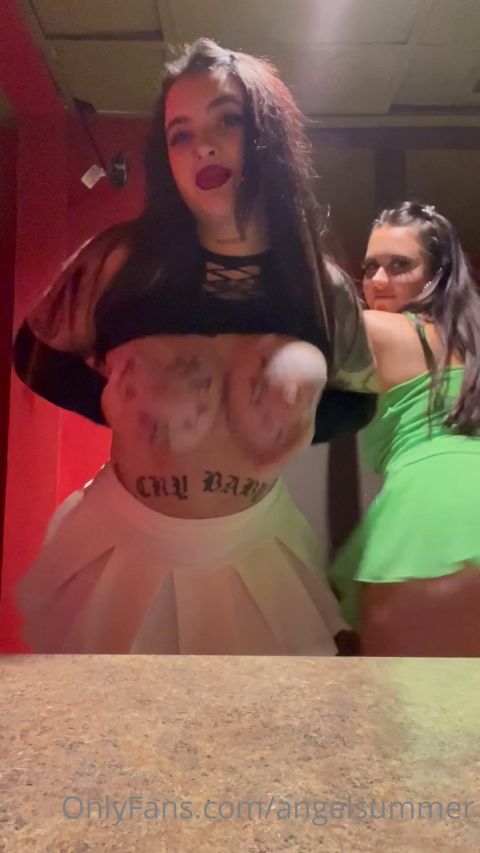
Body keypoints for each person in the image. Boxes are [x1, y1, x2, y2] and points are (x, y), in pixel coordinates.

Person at [13, 39, 375, 655]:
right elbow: (35, 355)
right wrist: (119, 404)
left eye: (226, 122)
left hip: (258, 546)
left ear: (266, 136)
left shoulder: (320, 284)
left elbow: (358, 397)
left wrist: (285, 418)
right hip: (121, 545)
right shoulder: (120, 262)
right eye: (180, 135)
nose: (202, 146)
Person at [330, 201, 480, 656]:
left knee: (407, 695)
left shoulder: (376, 330)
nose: (377, 281)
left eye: (399, 266)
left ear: (437, 275)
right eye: (370, 267)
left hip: (432, 514)